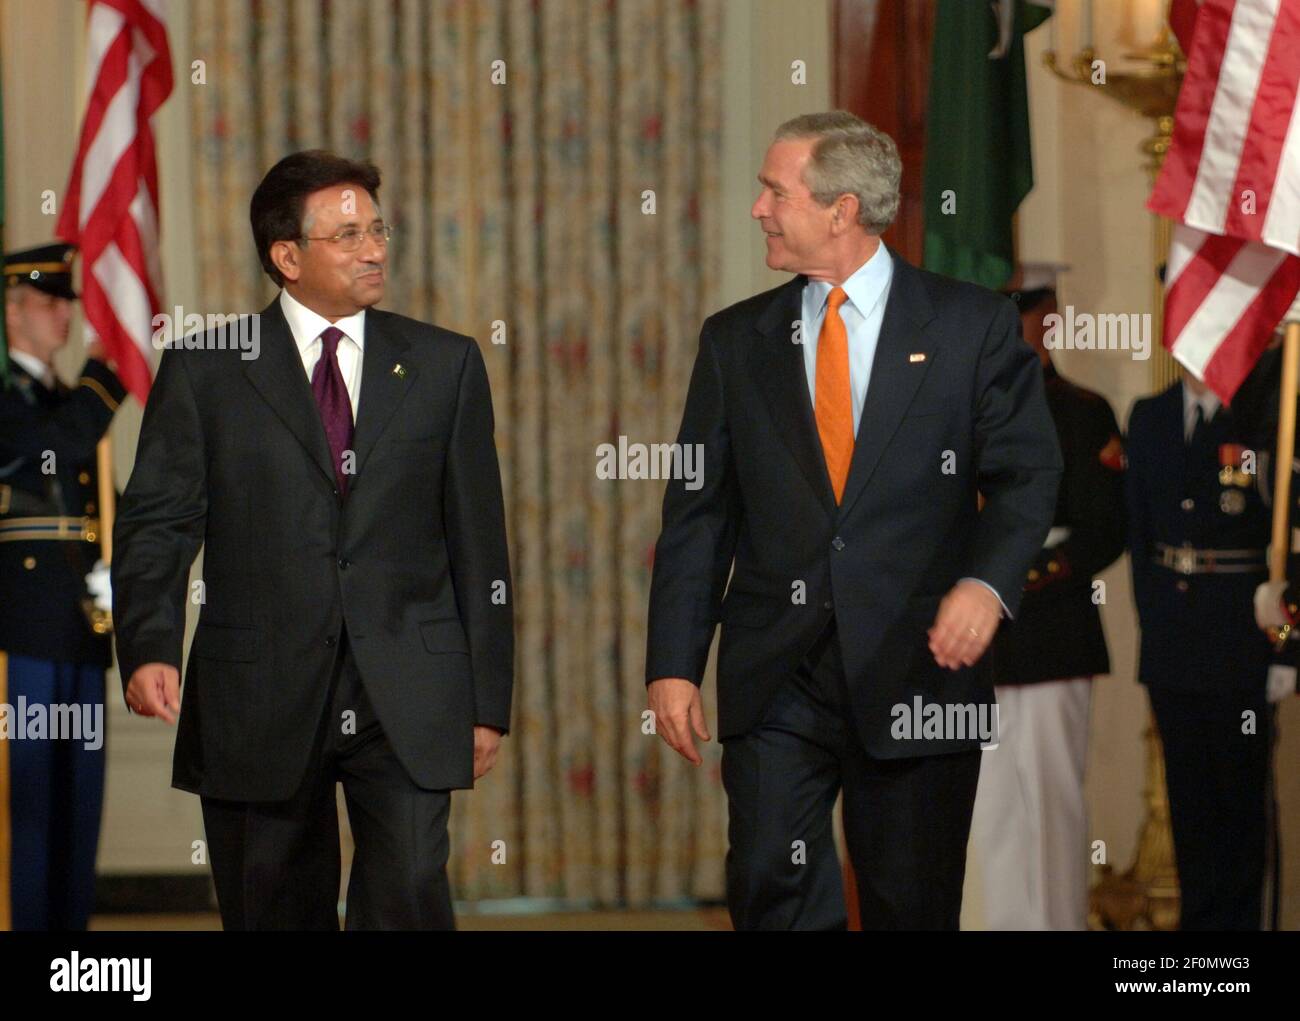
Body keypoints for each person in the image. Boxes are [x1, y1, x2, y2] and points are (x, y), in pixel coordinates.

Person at [644, 112, 1062, 930]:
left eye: (775, 191)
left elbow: (1027, 475)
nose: (758, 208)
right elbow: (698, 516)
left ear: (841, 209)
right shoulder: (735, 341)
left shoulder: (970, 326)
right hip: (776, 677)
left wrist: (984, 583)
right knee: (772, 885)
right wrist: (674, 662)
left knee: (911, 903)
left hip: (920, 674)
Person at [112, 151, 514, 930]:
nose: (375, 249)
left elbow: (479, 544)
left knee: (407, 892)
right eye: (348, 235)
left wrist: (487, 700)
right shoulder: (207, 370)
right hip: (257, 694)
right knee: (272, 908)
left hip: (406, 686)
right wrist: (151, 642)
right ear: (286, 257)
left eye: (377, 228)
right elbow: (158, 522)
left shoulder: (444, 364)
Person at [969, 266, 1126, 930]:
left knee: (1052, 804)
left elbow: (1103, 529)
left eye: (1027, 316)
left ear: (1047, 322)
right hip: (978, 638)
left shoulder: (1082, 411)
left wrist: (1018, 575)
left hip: (1052, 630)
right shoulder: (966, 405)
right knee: (991, 810)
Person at [0, 242, 126, 929]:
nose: (64, 317)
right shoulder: (16, 400)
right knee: (31, 806)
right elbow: (62, 443)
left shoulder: (60, 400)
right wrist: (108, 372)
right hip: (19, 632)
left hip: (80, 627)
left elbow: (109, 509)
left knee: (78, 804)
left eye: (67, 305)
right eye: (49, 304)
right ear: (13, 314)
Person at [1125, 371, 1278, 930]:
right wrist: (1153, 620)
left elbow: (1280, 534)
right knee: (1189, 804)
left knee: (1238, 804)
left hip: (1241, 642)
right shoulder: (1150, 415)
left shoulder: (1261, 413)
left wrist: (1284, 648)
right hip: (1173, 643)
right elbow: (1138, 530)